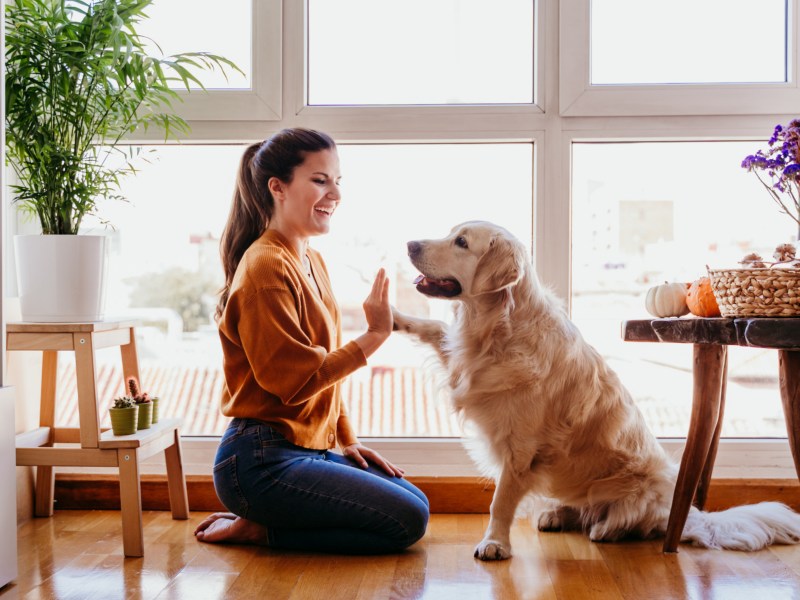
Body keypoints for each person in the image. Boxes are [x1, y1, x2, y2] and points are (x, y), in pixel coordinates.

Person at [194, 128, 429, 553]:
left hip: (306, 448)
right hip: (259, 461)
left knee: (416, 502)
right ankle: (259, 529)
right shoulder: (265, 268)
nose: (334, 193)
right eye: (320, 180)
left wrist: (346, 438)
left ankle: (266, 522)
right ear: (278, 188)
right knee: (407, 521)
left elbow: (324, 378)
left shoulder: (310, 259)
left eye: (338, 181)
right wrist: (376, 335)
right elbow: (296, 383)